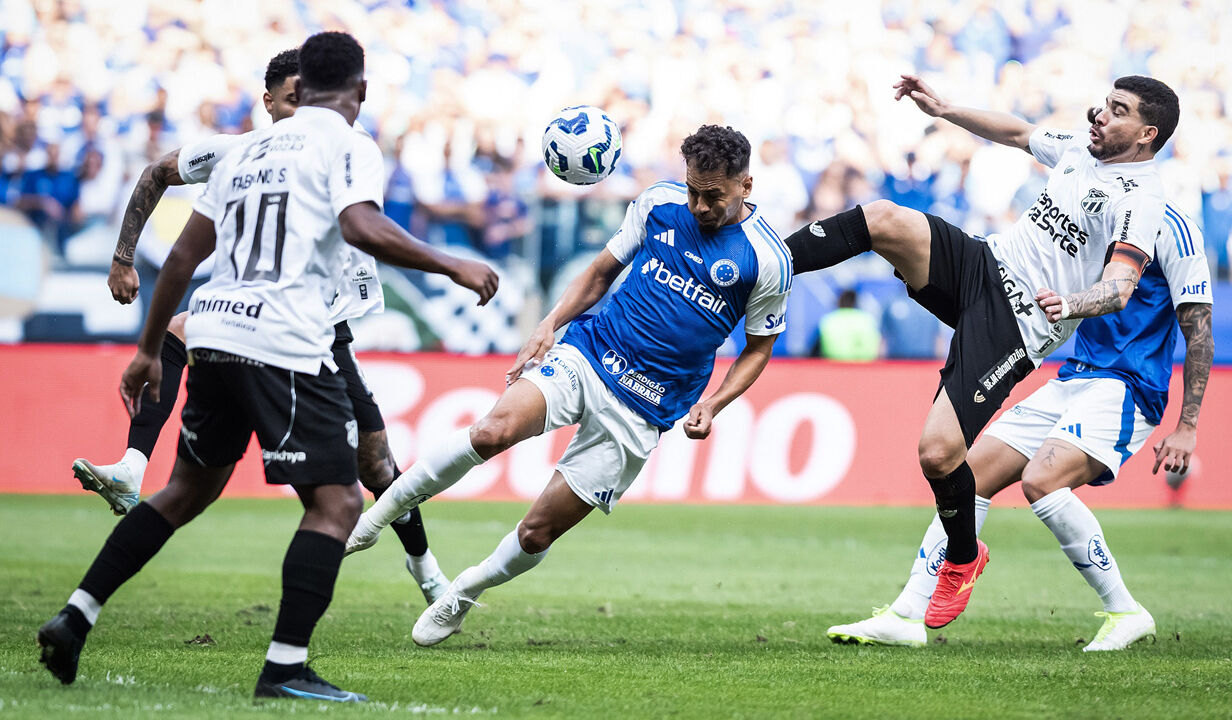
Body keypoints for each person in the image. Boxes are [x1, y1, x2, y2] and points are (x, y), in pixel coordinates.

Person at [35, 31, 499, 701]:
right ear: (359, 93)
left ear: (298, 87)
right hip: (283, 338)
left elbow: (182, 258)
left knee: (184, 491)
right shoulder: (348, 145)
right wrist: (452, 262)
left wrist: (146, 349)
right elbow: (362, 226)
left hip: (214, 327)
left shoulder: (242, 150)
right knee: (337, 504)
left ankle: (76, 615)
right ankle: (285, 667)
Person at [345, 125, 792, 647]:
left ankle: (462, 594)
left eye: (712, 196)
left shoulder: (766, 259)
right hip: (592, 350)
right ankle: (375, 518)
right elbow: (602, 272)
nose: (698, 205)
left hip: (647, 406)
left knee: (538, 532)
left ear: (746, 186)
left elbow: (758, 348)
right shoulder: (657, 204)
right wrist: (549, 324)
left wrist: (714, 402)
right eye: (692, 190)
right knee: (492, 430)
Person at [784, 73, 1178, 628]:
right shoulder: (1079, 149)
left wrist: (1072, 302)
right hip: (982, 266)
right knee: (884, 218)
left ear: (1146, 134)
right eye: (1103, 103)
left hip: (1017, 323)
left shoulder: (1141, 200)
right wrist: (945, 110)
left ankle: (964, 558)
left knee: (938, 454)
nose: (1100, 115)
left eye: (1117, 111)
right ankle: (768, 263)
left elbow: (1120, 286)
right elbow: (1017, 133)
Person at [70, 48, 452, 603]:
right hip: (257, 323)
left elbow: (363, 225)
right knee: (181, 331)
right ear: (269, 102)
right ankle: (132, 466)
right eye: (294, 99)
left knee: (375, 465)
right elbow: (158, 174)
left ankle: (427, 572)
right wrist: (123, 256)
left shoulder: (343, 150)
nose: (305, 109)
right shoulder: (239, 152)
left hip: (321, 328)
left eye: (312, 97)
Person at [826, 202, 1213, 651]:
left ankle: (1125, 610)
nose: (1097, 127)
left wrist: (1188, 425)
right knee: (969, 473)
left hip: (1130, 386)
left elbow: (1199, 328)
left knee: (1042, 481)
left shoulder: (1175, 228)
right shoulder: (1092, 206)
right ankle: (907, 614)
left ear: (1145, 139)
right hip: (1076, 376)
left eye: (1112, 124)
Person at [814, 288, 881, 361]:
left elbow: (815, 350)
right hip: (864, 365)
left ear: (838, 302)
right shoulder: (868, 319)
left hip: (833, 364)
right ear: (856, 303)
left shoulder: (828, 320)